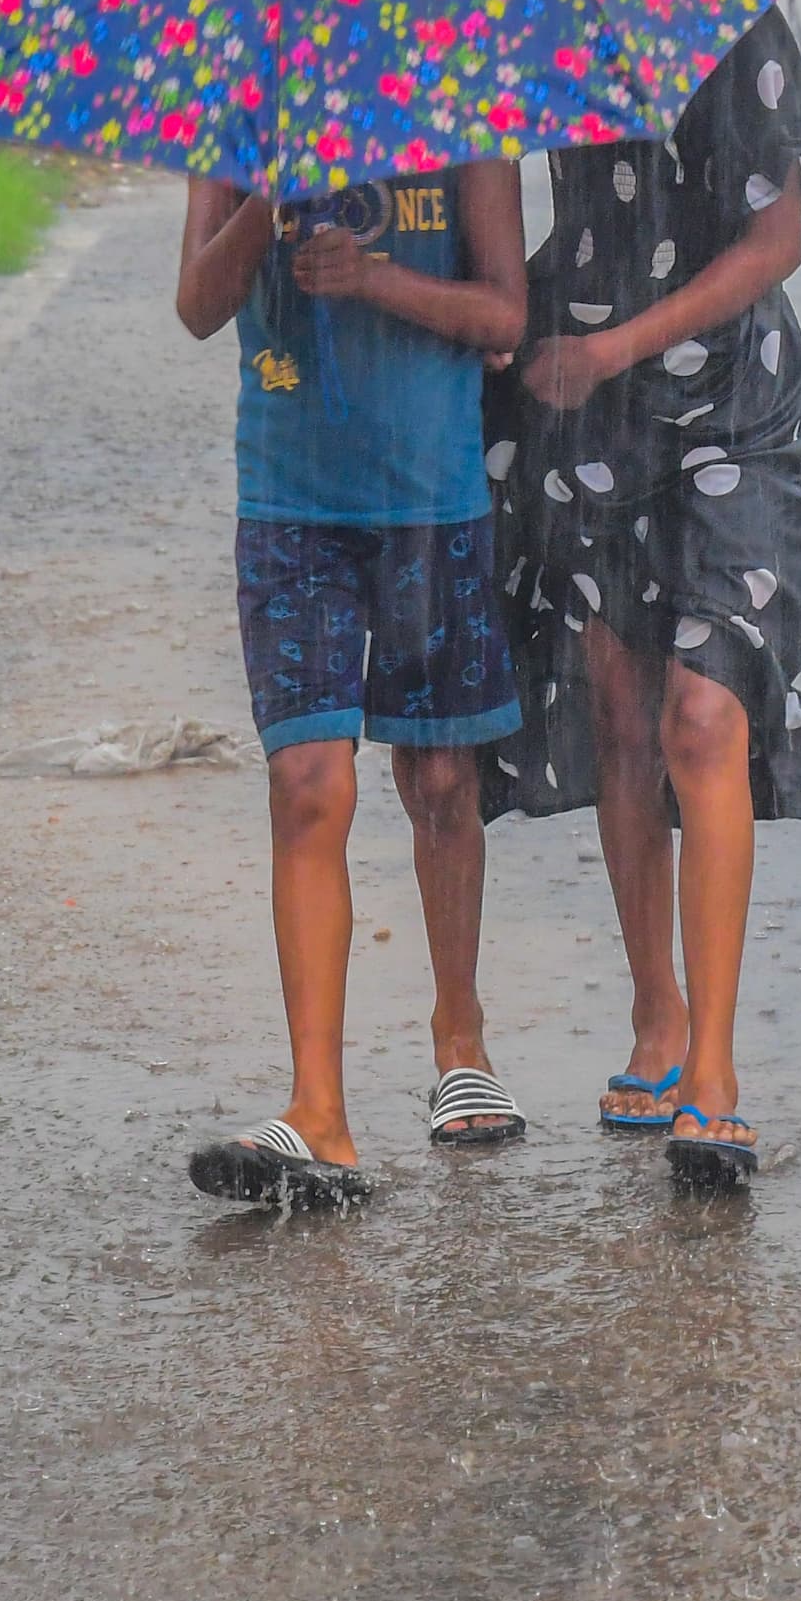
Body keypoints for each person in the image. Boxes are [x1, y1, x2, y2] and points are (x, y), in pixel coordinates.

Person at [481, 6, 801, 1187]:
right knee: (622, 715)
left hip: (739, 415)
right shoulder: (535, 25)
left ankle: (717, 1078)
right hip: (587, 419)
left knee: (705, 716)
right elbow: (570, 224)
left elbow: (774, 241)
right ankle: (658, 1018)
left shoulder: (736, 26)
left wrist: (618, 345)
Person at [175, 158, 530, 1209]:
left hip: (433, 494)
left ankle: (458, 1033)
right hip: (291, 498)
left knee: (440, 784)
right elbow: (199, 305)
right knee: (309, 785)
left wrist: (372, 279)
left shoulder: (465, 112)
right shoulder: (235, 116)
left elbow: (504, 308)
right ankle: (317, 1110)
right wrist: (263, 205)